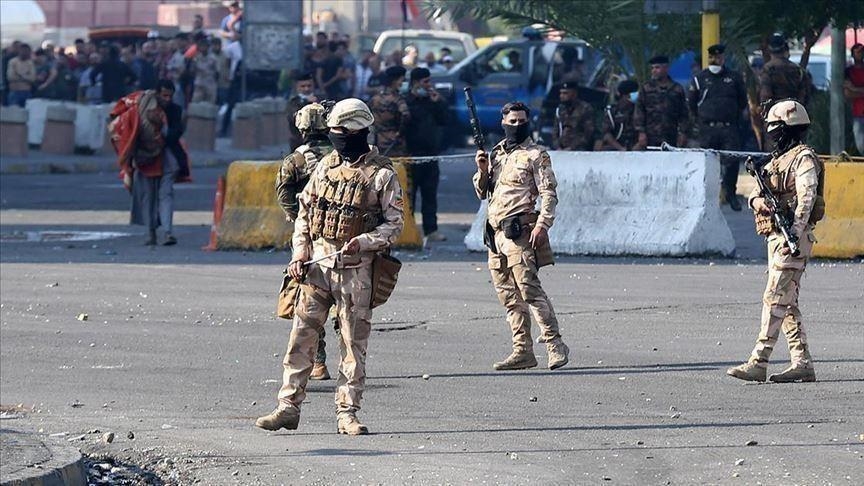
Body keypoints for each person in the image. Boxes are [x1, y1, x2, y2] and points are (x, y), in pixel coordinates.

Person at [255, 98, 404, 435]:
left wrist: (363, 241)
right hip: (317, 268)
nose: (335, 137)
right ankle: (288, 407)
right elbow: (304, 216)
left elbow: (394, 225)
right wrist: (299, 255)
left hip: (356, 269)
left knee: (352, 343)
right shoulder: (324, 167)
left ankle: (347, 413)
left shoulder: (381, 175)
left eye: (340, 131)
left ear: (358, 132)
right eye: (332, 131)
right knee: (301, 336)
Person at [726, 100, 823, 383]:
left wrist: (793, 232)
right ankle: (802, 363)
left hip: (793, 238)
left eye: (776, 128)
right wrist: (760, 203)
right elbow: (754, 193)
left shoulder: (803, 158)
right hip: (777, 235)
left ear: (789, 128)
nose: (771, 133)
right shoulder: (777, 159)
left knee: (774, 297)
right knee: (787, 302)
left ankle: (759, 361)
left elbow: (806, 200)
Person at [472, 101, 570, 371]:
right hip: (495, 233)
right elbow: (482, 193)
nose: (517, 125)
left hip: (520, 231)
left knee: (529, 290)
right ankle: (522, 351)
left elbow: (548, 193)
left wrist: (543, 225)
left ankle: (554, 344)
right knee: (508, 296)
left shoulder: (536, 155)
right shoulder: (496, 154)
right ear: (503, 123)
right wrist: (482, 170)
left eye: (521, 121)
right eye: (512, 121)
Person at [275, 102, 336, 381]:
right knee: (346, 299)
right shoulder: (341, 156)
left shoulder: (294, 161)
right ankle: (349, 358)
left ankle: (319, 362)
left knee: (311, 298)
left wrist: (299, 217)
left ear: (301, 129)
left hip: (308, 238)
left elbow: (283, 194)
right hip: (341, 236)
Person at [109, 80, 191, 246]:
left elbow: (175, 134)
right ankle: (151, 233)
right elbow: (130, 130)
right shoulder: (141, 108)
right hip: (144, 158)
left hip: (167, 156)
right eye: (164, 95)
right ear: (157, 93)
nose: (167, 99)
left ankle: (168, 232)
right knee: (148, 197)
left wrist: (161, 133)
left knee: (166, 194)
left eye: (170, 96)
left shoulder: (175, 111)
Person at [688, 44, 748, 211]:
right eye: (712, 57)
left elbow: (742, 101)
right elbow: (691, 103)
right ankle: (706, 196)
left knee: (732, 162)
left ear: (723, 58)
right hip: (708, 129)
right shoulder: (700, 79)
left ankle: (731, 194)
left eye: (719, 57)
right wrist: (700, 121)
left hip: (728, 127)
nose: (715, 60)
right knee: (707, 163)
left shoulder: (734, 78)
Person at [405, 67, 449, 242]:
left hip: (430, 154)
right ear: (415, 82)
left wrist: (438, 103)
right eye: (425, 82)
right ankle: (408, 230)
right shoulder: (406, 101)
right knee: (409, 194)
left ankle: (431, 230)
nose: (429, 85)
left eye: (430, 81)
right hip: (411, 154)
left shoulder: (433, 100)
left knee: (429, 193)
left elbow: (444, 121)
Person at [634, 55, 689, 149]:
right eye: (652, 68)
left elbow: (684, 113)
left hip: (671, 135)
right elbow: (639, 111)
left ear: (666, 68)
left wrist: (683, 132)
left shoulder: (677, 89)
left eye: (657, 68)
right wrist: (641, 132)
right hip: (651, 136)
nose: (654, 71)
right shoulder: (646, 88)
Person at [759, 33, 811, 107]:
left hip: (775, 112)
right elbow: (805, 95)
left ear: (769, 50)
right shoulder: (798, 69)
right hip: (796, 110)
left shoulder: (768, 69)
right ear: (785, 49)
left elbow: (765, 96)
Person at [369, 65, 410, 156]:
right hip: (395, 142)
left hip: (378, 140)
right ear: (394, 81)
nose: (403, 83)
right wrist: (400, 132)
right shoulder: (398, 99)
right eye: (402, 80)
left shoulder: (375, 98)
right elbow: (406, 115)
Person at [552, 82, 595, 151]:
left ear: (574, 94)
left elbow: (588, 133)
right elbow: (555, 131)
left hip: (579, 149)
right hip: (561, 149)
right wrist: (557, 147)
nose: (561, 96)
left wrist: (572, 147)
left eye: (565, 93)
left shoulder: (585, 108)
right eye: (561, 93)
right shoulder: (560, 109)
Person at [597, 79, 638, 151]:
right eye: (634, 92)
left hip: (635, 148)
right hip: (616, 148)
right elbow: (607, 134)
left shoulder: (638, 110)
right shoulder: (612, 111)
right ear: (626, 95)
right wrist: (621, 149)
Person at [286, 72, 319, 150]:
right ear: (297, 87)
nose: (306, 89)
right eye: (303, 86)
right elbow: (293, 117)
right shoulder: (293, 102)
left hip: (318, 141)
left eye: (309, 86)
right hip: (299, 141)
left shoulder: (320, 98)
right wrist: (307, 102)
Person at [844, 43, 864, 155]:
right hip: (857, 112)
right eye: (857, 52)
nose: (860, 55)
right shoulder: (848, 71)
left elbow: (851, 90)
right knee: (860, 144)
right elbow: (847, 93)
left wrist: (854, 89)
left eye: (861, 52)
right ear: (852, 54)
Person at [191, 37, 219, 103]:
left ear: (208, 47)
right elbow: (193, 70)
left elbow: (217, 72)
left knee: (210, 103)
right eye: (201, 46)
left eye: (204, 46)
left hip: (210, 84)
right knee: (196, 102)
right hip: (199, 83)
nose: (203, 48)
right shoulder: (197, 57)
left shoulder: (213, 58)